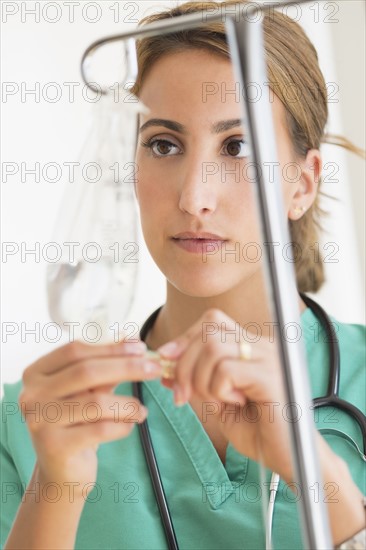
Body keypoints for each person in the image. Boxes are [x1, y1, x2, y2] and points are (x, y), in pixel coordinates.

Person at [1, 1, 365, 549]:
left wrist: (320, 473)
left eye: (236, 147)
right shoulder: (32, 421)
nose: (194, 197)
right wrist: (55, 488)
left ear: (303, 183)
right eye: (163, 144)